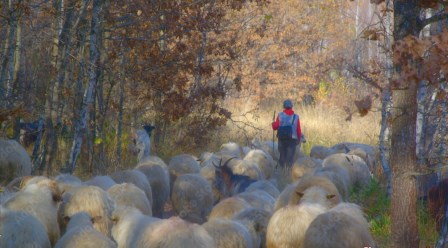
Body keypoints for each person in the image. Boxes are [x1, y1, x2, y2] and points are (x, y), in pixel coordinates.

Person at [272, 99, 302, 168]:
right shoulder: (296, 117)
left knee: (282, 156)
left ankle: (281, 173)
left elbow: (275, 127)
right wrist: (299, 139)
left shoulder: (280, 115)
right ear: (291, 106)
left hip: (282, 139)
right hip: (292, 140)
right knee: (290, 158)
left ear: (284, 107)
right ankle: (288, 174)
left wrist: (273, 124)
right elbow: (298, 130)